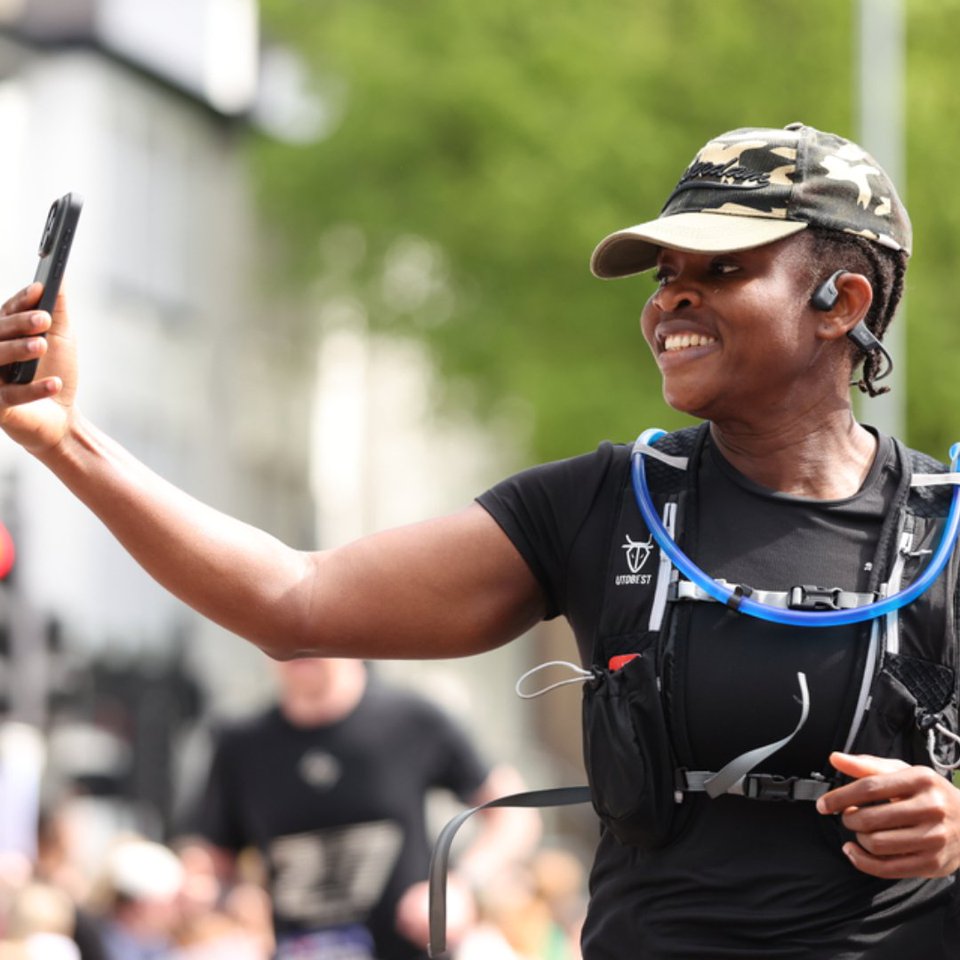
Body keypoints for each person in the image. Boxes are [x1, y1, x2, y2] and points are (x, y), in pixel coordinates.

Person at [3, 120, 960, 958]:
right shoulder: (603, 503)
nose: (671, 300)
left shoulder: (947, 526)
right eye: (666, 275)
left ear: (841, 303)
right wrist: (65, 439)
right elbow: (295, 602)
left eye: (721, 269)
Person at [178, 655, 540, 960]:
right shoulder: (240, 744)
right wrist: (200, 889)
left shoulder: (411, 720)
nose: (296, 648)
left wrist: (459, 887)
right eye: (276, 633)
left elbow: (515, 813)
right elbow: (212, 858)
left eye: (310, 632)